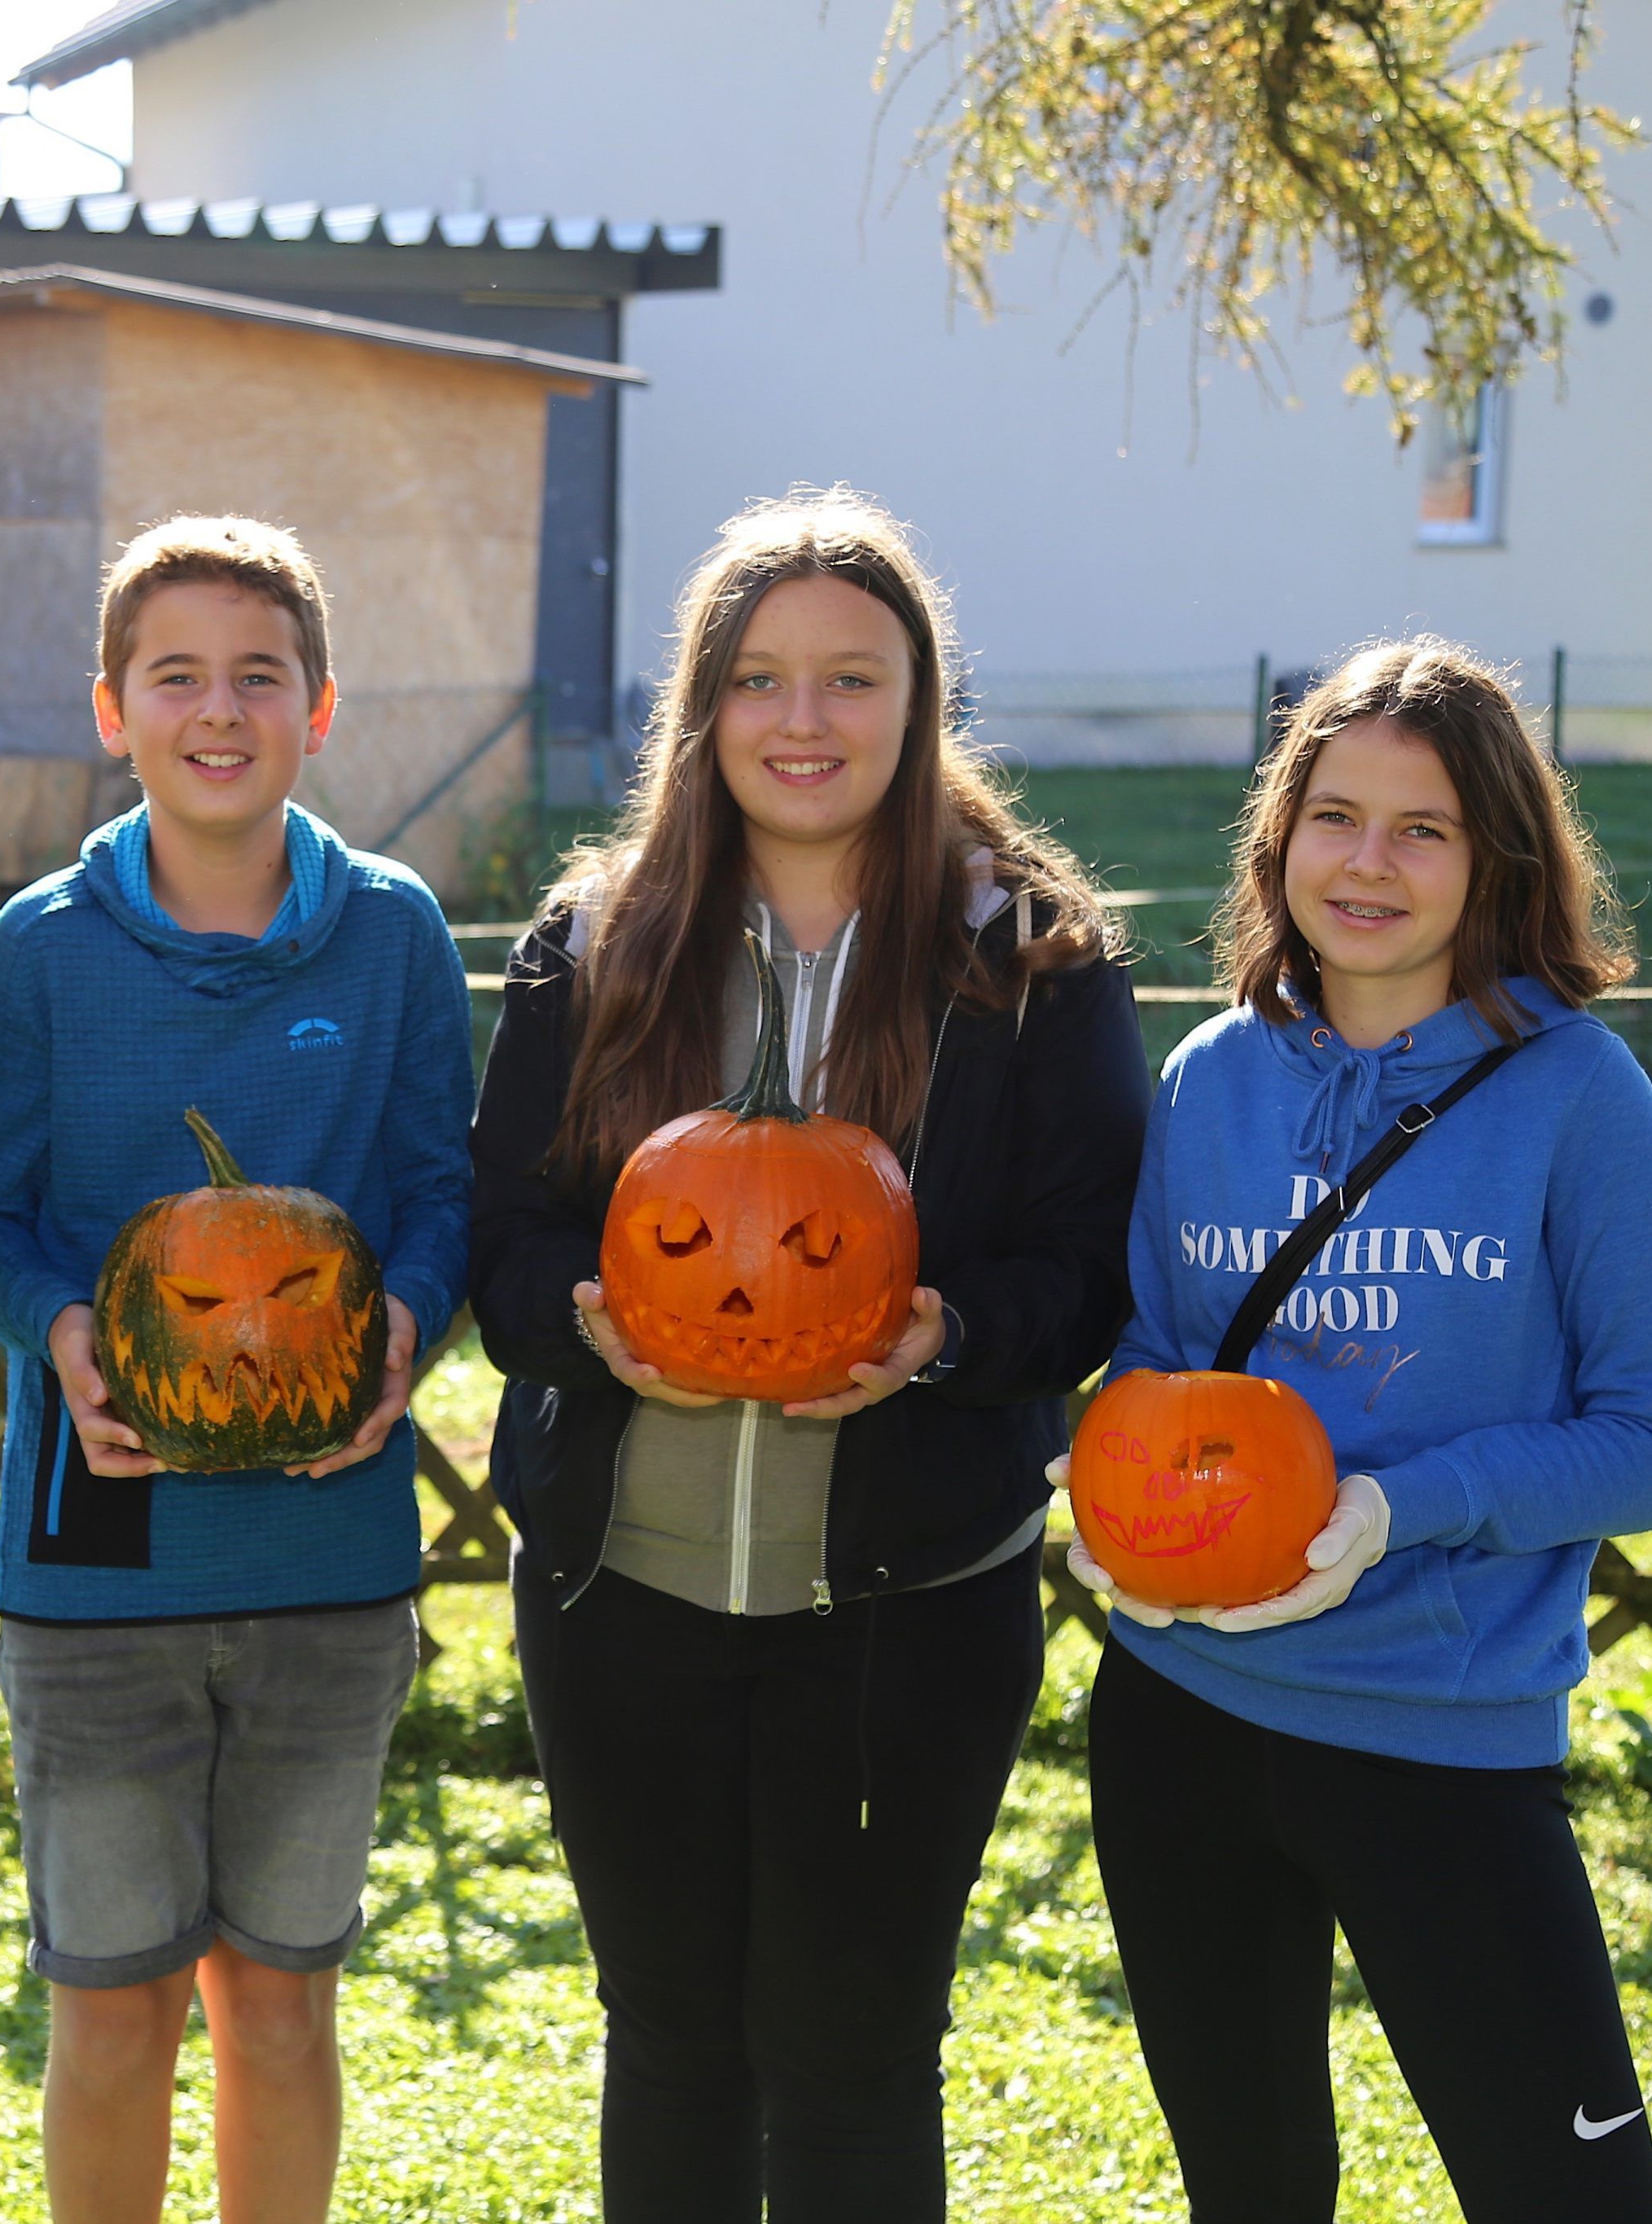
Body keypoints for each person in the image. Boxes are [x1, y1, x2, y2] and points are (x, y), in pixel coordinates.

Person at [467, 488, 1150, 2222]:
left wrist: (945, 1336)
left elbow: (1089, 1268)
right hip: (623, 1597)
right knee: (673, 2040)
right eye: (762, 679)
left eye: (852, 679)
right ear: (704, 708)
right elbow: (505, 1247)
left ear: (921, 703)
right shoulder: (600, 937)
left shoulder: (1031, 954)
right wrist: (603, 1334)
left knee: (852, 2059)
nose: (804, 720)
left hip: (908, 1608)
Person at [1071, 638, 1652, 2222]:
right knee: (1255, 2187)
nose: (1367, 862)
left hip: (1440, 1738)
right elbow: (1159, 1361)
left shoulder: (1578, 1097)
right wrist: (1110, 1498)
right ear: (1276, 837)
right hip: (1179, 1716)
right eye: (1334, 815)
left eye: (1422, 828)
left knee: (1574, 2201)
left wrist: (1394, 1508)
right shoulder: (1210, 1076)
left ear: (1498, 856)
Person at [0, 515, 474, 2224]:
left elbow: (444, 1190)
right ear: (113, 708)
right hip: (96, 1568)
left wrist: (404, 1326)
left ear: (321, 709)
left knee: (285, 2003)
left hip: (331, 1559)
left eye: (260, 675)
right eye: (177, 675)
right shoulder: (37, 953)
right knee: (109, 2006)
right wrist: (69, 1334)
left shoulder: (393, 937)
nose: (218, 710)